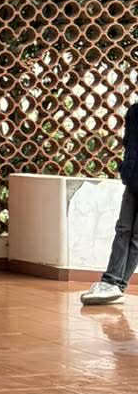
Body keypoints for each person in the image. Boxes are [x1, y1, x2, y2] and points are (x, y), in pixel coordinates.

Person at [82, 98, 138, 305]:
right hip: (133, 180)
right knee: (123, 229)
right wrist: (127, 170)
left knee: (136, 237)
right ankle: (111, 282)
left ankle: (115, 285)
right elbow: (129, 144)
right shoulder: (135, 112)